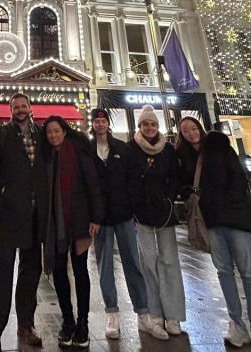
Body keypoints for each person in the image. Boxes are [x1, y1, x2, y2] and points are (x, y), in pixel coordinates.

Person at [0, 92, 48, 352]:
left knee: (31, 270)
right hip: (11, 212)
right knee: (3, 269)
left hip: (36, 214)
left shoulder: (41, 133)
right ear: (10, 110)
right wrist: (3, 192)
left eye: (24, 106)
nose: (21, 110)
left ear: (30, 108)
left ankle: (26, 324)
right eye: (16, 107)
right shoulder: (1, 134)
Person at [88, 108, 153, 339]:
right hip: (100, 218)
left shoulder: (121, 148)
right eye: (96, 121)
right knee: (104, 266)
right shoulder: (87, 150)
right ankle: (111, 313)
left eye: (103, 120)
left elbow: (134, 177)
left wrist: (130, 205)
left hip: (123, 214)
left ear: (108, 123)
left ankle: (142, 311)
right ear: (92, 124)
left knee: (132, 262)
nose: (100, 124)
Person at [200, 131, 251, 352]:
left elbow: (233, 188)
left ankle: (250, 325)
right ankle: (246, 325)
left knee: (239, 273)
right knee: (238, 273)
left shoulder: (220, 161)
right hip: (221, 224)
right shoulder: (218, 160)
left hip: (228, 223)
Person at [40, 116, 103, 349]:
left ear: (64, 132)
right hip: (54, 223)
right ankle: (67, 319)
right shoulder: (45, 156)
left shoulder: (78, 153)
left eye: (57, 131)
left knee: (79, 270)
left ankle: (83, 321)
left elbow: (92, 184)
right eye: (49, 133)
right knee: (58, 271)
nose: (53, 136)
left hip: (78, 220)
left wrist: (96, 217)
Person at [125, 105, 186, 340]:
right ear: (139, 126)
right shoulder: (131, 149)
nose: (149, 128)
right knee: (147, 262)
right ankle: (154, 313)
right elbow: (128, 179)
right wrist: (134, 204)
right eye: (145, 124)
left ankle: (173, 314)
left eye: (152, 124)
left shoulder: (168, 150)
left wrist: (169, 198)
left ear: (157, 126)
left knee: (169, 260)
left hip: (164, 211)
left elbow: (175, 177)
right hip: (142, 212)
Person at [174, 115, 207, 197]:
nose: (191, 133)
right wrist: (187, 193)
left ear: (200, 128)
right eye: (185, 131)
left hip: (222, 202)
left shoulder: (217, 148)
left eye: (194, 129)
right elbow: (177, 180)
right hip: (198, 202)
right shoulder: (179, 155)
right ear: (182, 134)